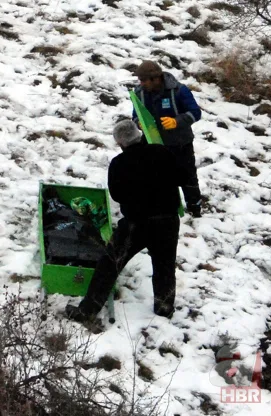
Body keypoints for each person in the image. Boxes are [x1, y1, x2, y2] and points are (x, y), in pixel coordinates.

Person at [65, 119, 188, 325]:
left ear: (120, 143)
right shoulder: (162, 152)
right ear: (139, 133)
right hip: (167, 221)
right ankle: (164, 306)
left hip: (136, 224)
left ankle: (88, 310)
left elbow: (116, 195)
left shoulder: (119, 164)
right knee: (164, 265)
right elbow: (181, 177)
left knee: (110, 263)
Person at [132, 60, 203, 217]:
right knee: (154, 177)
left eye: (144, 80)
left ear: (155, 78)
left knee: (187, 176)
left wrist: (176, 121)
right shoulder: (139, 93)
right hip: (153, 143)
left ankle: (194, 207)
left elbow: (195, 113)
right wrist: (139, 124)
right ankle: (160, 205)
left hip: (180, 143)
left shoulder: (179, 91)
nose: (141, 83)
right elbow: (135, 115)